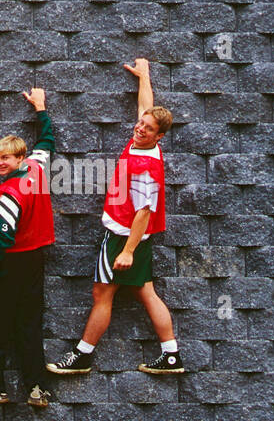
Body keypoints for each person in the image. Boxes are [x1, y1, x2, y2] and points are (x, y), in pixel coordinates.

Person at [47, 59, 182, 375]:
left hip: (123, 237)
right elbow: (145, 108)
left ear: (159, 136)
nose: (139, 128)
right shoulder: (144, 144)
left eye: (147, 128)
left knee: (101, 294)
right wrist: (144, 76)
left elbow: (144, 213)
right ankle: (172, 354)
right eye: (141, 124)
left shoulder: (147, 167)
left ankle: (83, 355)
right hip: (130, 238)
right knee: (145, 290)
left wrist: (127, 251)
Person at [0, 89, 56, 408]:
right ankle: (36, 388)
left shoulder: (6, 193)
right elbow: (47, 141)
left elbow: (3, 238)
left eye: (6, 158)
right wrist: (41, 109)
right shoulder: (37, 169)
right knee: (30, 324)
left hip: (9, 263)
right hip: (36, 261)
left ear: (19, 158)